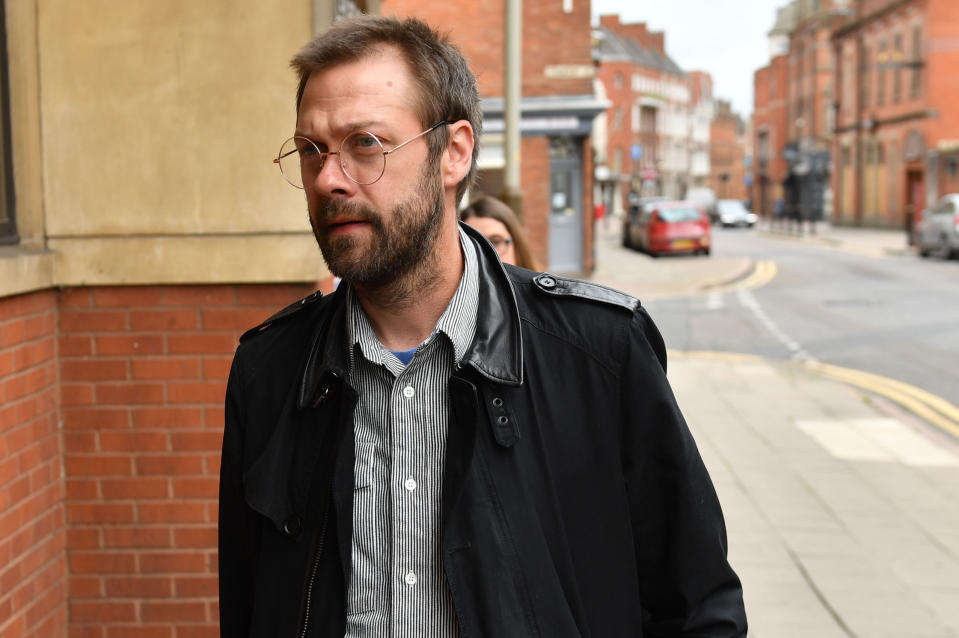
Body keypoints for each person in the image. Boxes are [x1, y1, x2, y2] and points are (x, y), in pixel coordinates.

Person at [218, 14, 746, 638]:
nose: (328, 179)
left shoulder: (598, 353)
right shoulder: (271, 370)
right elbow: (250, 604)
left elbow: (696, 608)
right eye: (311, 150)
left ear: (455, 152)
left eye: (366, 144)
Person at [460, 195, 538, 269]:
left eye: (496, 242)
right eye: (473, 244)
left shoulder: (544, 281)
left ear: (517, 246)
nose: (486, 255)